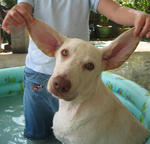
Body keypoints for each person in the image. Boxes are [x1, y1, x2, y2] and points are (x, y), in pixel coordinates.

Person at [2, 0, 150, 142]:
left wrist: (137, 17)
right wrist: (19, 13)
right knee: (35, 132)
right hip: (36, 76)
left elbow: (116, 10)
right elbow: (24, 7)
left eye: (89, 66)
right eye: (65, 53)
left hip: (77, 86)